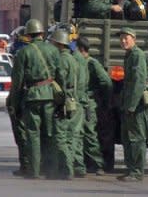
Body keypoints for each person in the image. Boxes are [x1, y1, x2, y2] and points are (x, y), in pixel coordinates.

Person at [9, 19, 61, 179]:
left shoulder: (23, 52)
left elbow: (17, 81)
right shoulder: (53, 50)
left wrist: (13, 103)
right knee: (50, 133)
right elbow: (60, 75)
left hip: (32, 96)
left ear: (28, 35)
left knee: (33, 134)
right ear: (42, 33)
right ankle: (51, 170)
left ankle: (34, 170)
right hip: (51, 95)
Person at [117, 27, 148, 182]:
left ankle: (137, 172)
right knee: (127, 138)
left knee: (136, 138)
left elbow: (138, 83)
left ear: (134, 39)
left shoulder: (137, 55)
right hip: (130, 103)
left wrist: (131, 106)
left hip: (136, 104)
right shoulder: (129, 55)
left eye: (126, 38)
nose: (123, 41)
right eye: (122, 38)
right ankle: (131, 170)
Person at [49, 29, 81, 180]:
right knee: (71, 137)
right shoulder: (73, 58)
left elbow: (61, 80)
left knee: (60, 136)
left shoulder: (62, 59)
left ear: (58, 44)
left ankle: (67, 170)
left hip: (65, 101)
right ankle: (67, 168)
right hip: (74, 100)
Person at [77, 36, 110, 175]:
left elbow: (106, 82)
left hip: (89, 103)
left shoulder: (92, 63)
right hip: (82, 102)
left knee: (90, 134)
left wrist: (104, 101)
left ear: (81, 49)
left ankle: (98, 164)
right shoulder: (80, 62)